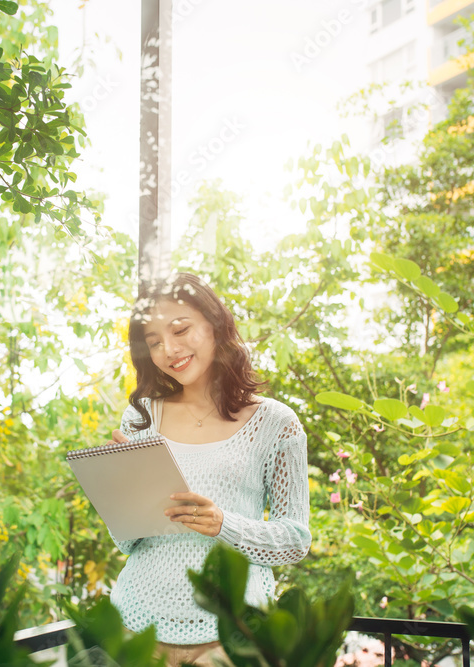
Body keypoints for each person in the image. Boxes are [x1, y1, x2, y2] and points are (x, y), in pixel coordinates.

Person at [105, 272, 311, 667]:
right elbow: (127, 543)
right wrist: (122, 494)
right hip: (137, 629)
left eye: (180, 330)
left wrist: (222, 524)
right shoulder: (139, 417)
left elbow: (295, 540)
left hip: (231, 639)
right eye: (154, 342)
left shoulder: (276, 424)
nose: (169, 349)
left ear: (215, 324)